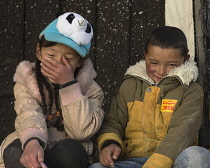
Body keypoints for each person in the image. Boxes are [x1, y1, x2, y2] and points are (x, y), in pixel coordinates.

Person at [88, 26, 207, 168]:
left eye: (171, 65)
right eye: (154, 63)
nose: (161, 71)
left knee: (198, 155)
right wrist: (110, 143)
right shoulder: (130, 86)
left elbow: (181, 133)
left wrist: (157, 164)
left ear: (185, 59)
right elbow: (113, 122)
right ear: (145, 56)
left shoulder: (191, 91)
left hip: (171, 162)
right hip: (131, 161)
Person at [0, 12, 104, 168]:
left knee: (68, 152)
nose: (58, 64)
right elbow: (29, 113)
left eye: (68, 59)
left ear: (80, 61)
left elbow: (81, 132)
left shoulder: (91, 89)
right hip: (33, 140)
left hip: (68, 150)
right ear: (38, 52)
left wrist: (69, 85)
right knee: (17, 152)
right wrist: (32, 141)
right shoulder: (27, 81)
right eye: (51, 55)